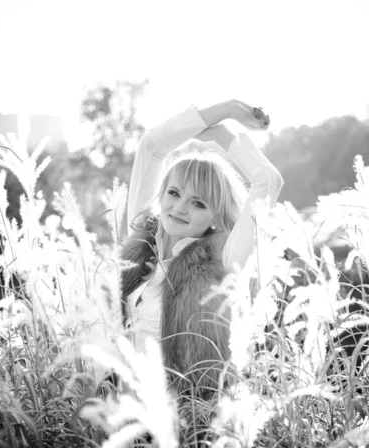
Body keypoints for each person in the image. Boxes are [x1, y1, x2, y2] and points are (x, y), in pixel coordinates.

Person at [120, 99, 284, 398]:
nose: (179, 208)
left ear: (216, 216)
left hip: (184, 422)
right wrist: (226, 110)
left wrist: (222, 139)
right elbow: (151, 147)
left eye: (198, 202)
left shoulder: (224, 257)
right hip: (117, 417)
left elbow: (268, 181)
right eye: (174, 193)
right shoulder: (141, 237)